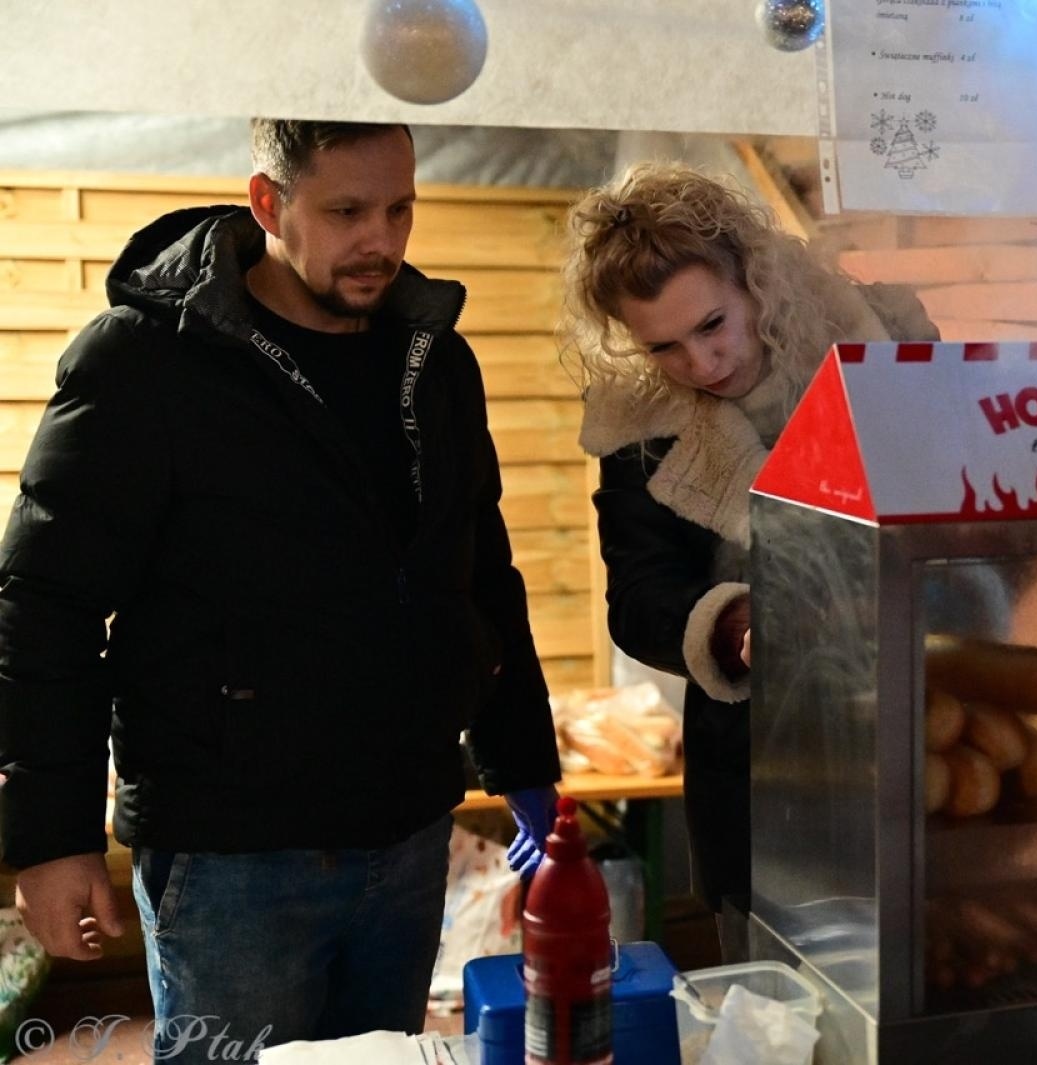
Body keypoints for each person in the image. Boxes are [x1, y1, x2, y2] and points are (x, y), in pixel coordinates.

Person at [0, 119, 560, 1060]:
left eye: (400, 207)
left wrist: (523, 758)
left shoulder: (436, 363)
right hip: (231, 860)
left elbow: (480, 569)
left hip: (411, 832)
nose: (380, 238)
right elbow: (41, 604)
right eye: (346, 211)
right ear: (269, 203)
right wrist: (51, 839)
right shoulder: (143, 364)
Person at [563, 163, 938, 956]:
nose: (700, 364)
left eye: (713, 324)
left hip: (930, 730)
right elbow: (639, 597)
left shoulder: (879, 342)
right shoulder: (640, 432)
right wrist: (733, 622)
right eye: (662, 346)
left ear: (754, 277)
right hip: (763, 774)